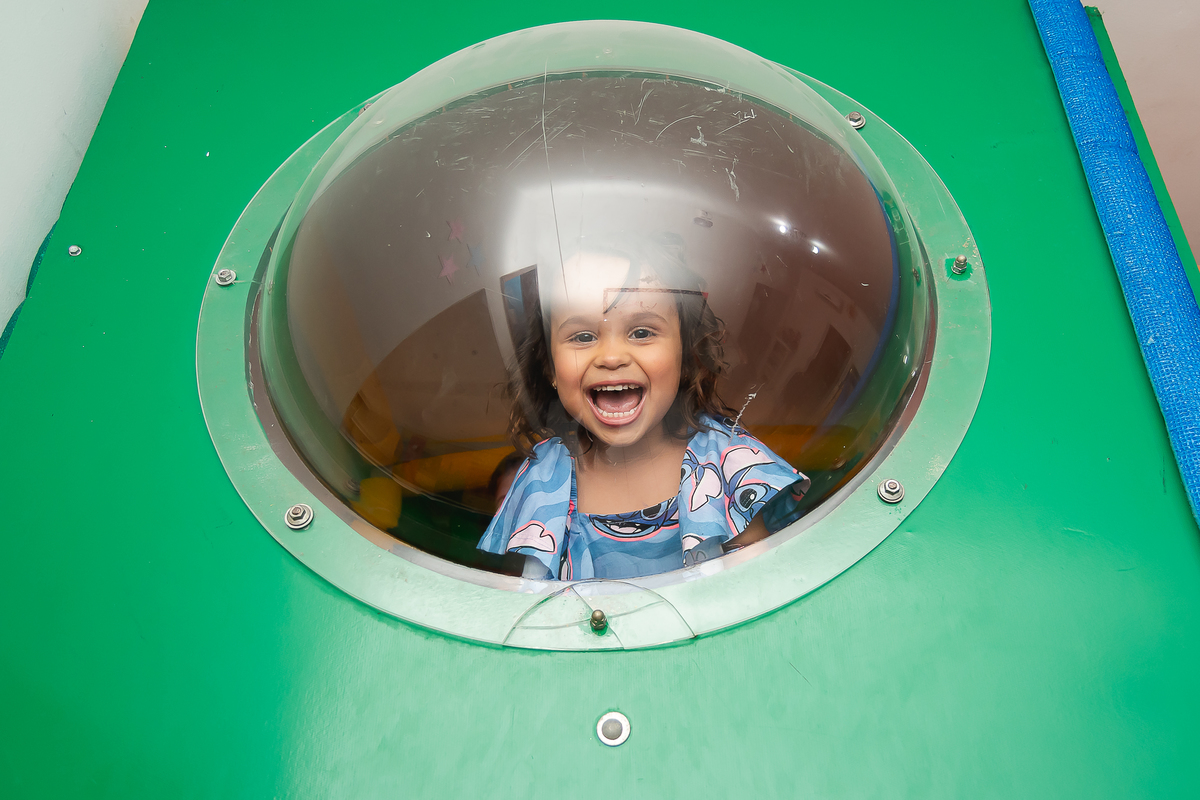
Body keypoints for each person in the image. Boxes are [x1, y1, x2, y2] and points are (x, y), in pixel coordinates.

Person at [477, 234, 808, 580]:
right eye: (583, 337)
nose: (611, 357)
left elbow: (762, 589)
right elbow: (535, 599)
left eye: (641, 332)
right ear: (550, 369)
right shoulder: (542, 479)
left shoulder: (726, 462)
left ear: (685, 355)